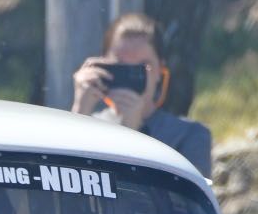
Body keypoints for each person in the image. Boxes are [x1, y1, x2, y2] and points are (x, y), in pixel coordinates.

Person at [71, 11, 213, 177]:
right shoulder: (86, 127)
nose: (132, 76)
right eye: (121, 65)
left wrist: (130, 134)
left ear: (160, 70)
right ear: (104, 66)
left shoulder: (188, 136)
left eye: (142, 67)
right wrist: (79, 111)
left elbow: (186, 201)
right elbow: (60, 187)